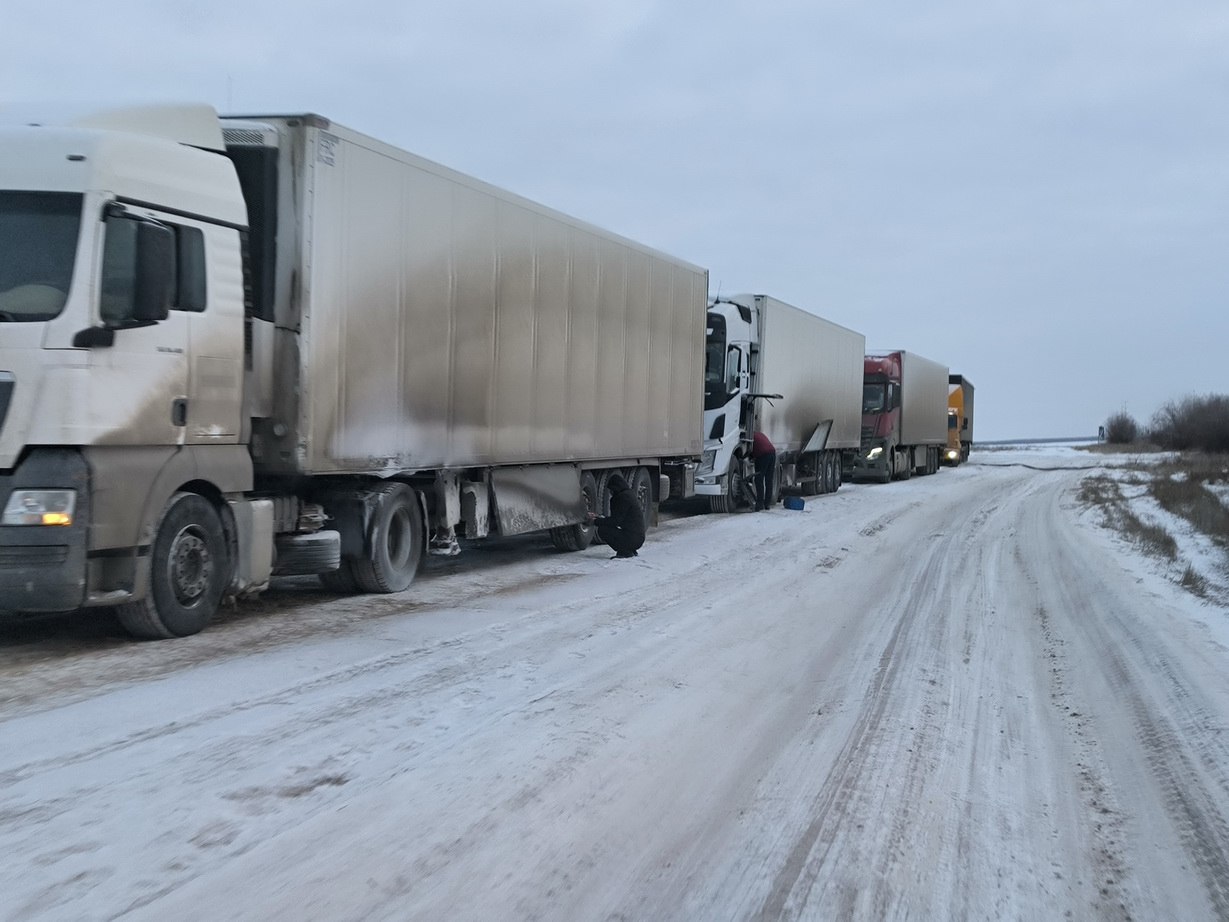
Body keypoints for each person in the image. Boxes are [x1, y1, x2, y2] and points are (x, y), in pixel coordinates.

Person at [590, 473, 646, 558]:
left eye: (611, 489)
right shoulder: (629, 494)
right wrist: (599, 517)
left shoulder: (623, 498)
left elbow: (615, 521)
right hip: (638, 538)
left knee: (603, 530)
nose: (611, 492)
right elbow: (620, 519)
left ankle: (625, 551)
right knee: (608, 527)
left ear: (615, 488)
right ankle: (629, 549)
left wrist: (595, 521)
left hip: (632, 539)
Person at [750, 430, 776, 511]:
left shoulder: (749, 437)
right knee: (769, 479)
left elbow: (749, 450)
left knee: (759, 479)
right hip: (772, 453)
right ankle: (767, 503)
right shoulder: (758, 434)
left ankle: (760, 503)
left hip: (763, 455)